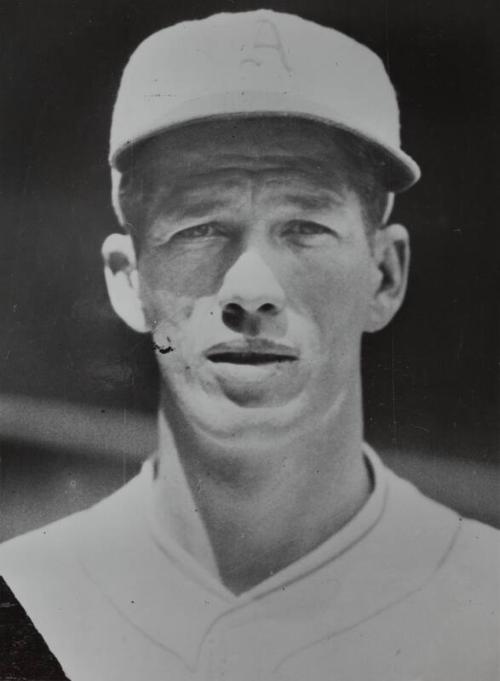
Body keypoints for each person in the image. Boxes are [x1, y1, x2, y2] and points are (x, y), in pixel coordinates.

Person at [0, 9, 498, 681]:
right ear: (127, 279)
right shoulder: (26, 596)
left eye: (305, 225)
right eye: (200, 225)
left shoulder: (485, 601)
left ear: (384, 274)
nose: (252, 288)